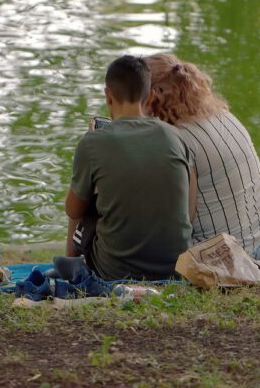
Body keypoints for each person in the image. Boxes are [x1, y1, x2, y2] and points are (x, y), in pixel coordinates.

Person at [64, 55, 196, 280]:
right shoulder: (176, 136)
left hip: (115, 270)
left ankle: (69, 267)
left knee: (82, 195)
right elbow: (190, 211)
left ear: (108, 95)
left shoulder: (93, 143)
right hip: (174, 266)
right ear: (151, 95)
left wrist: (89, 145)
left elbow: (73, 211)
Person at [144, 53, 260, 259]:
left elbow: (177, 219)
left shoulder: (176, 139)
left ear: (152, 96)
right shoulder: (221, 114)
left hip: (233, 253)